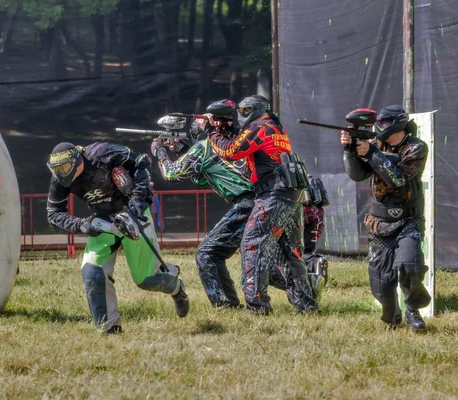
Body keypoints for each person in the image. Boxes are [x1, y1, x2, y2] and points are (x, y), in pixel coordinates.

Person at [46, 142, 189, 334]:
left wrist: (138, 199)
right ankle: (109, 330)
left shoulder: (102, 153)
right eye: (57, 169)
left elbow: (140, 162)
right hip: (102, 221)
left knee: (146, 279)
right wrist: (81, 225)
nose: (62, 173)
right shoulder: (59, 180)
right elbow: (53, 213)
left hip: (133, 214)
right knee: (92, 272)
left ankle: (176, 287)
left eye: (64, 167)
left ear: (77, 160)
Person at [206, 95, 317, 314]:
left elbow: (231, 152)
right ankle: (306, 305)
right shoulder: (275, 128)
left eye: (246, 110)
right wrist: (227, 132)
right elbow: (244, 148)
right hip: (290, 194)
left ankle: (258, 307)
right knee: (290, 252)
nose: (242, 114)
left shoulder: (260, 128)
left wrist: (211, 132)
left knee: (253, 245)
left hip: (273, 195)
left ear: (257, 110)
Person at [150, 99, 255, 309]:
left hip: (246, 205)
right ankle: (230, 304)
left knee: (206, 254)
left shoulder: (205, 146)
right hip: (257, 201)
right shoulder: (231, 141)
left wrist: (160, 151)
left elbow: (171, 173)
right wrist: (183, 151)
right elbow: (203, 176)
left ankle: (223, 305)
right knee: (215, 254)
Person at [340, 105, 431, 330]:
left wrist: (371, 153)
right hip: (379, 221)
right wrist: (350, 150)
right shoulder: (376, 145)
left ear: (398, 123)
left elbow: (398, 179)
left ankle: (412, 310)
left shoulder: (416, 148)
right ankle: (392, 316)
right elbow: (357, 175)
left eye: (384, 122)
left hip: (409, 219)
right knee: (381, 281)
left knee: (410, 266)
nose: (380, 127)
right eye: (378, 122)